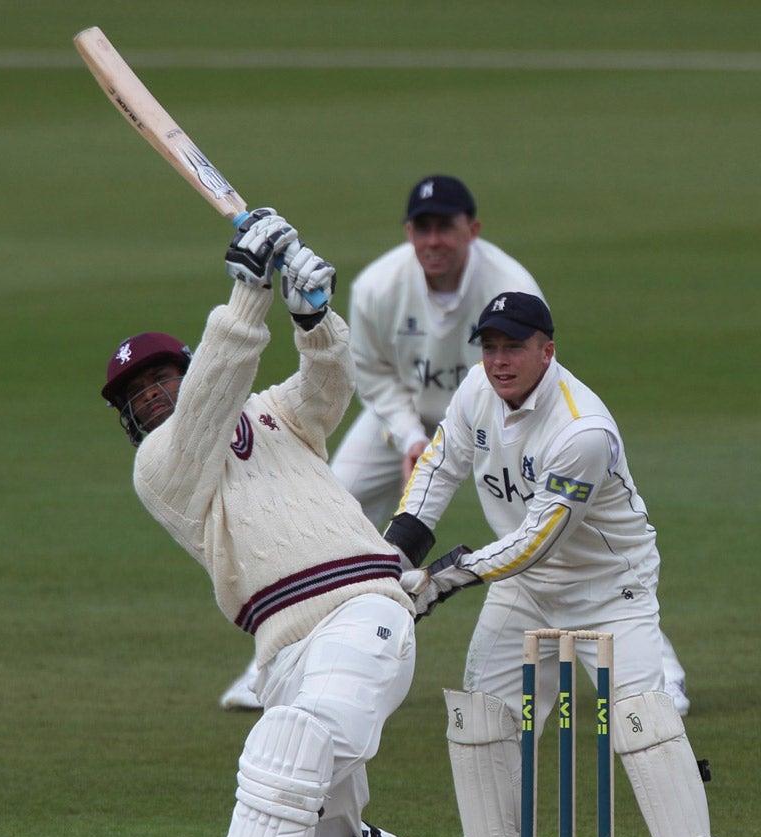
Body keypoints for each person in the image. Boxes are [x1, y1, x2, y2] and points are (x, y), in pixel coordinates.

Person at [101, 210, 426, 837]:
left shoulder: (273, 412)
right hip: (286, 653)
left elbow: (325, 387)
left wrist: (313, 318)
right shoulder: (161, 469)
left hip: (364, 610)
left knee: (282, 755)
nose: (151, 397)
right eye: (136, 395)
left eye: (160, 379)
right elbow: (211, 401)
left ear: (185, 369)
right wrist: (248, 295)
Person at [221, 175, 691, 717]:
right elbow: (371, 375)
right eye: (423, 228)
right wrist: (410, 444)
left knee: (562, 544)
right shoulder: (379, 286)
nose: (434, 240)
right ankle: (284, 657)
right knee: (332, 507)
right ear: (408, 233)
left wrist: (445, 575)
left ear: (473, 230)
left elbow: (524, 372)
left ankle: (659, 676)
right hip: (414, 411)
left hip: (507, 409)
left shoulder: (512, 287)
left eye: (447, 226)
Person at [386, 291, 733, 837]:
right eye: (489, 347)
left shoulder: (583, 429)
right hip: (525, 590)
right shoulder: (474, 393)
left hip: (611, 591)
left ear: (548, 351)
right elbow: (436, 468)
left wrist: (442, 579)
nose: (499, 360)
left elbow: (540, 536)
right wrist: (394, 553)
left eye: (514, 346)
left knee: (642, 725)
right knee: (481, 717)